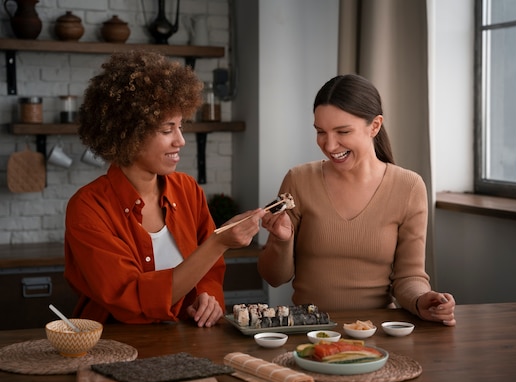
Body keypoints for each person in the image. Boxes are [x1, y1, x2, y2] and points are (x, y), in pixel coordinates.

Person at [64, 50, 264, 327]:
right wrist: (219, 242)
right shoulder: (88, 207)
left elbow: (210, 272)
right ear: (129, 132)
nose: (180, 140)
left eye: (180, 127)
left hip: (188, 341)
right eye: (166, 129)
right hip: (114, 345)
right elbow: (130, 298)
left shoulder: (187, 189)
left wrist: (207, 298)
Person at [258, 74, 456, 326]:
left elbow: (409, 276)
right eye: (321, 132)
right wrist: (280, 240)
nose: (329, 145)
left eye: (343, 131)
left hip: (377, 331)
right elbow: (274, 277)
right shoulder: (298, 180)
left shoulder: (409, 186)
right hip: (310, 329)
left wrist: (422, 300)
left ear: (374, 126)